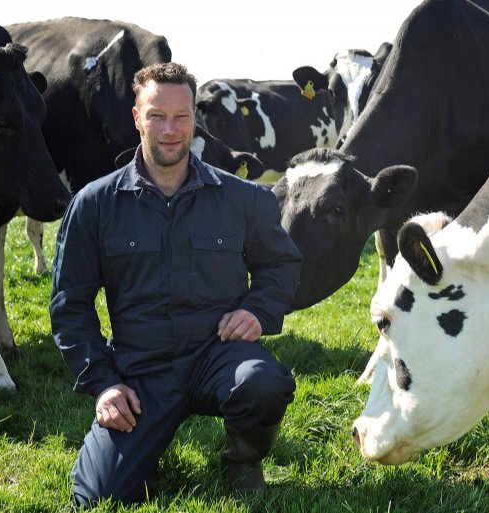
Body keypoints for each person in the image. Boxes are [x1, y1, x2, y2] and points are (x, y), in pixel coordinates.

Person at [49, 62, 302, 509]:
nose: (170, 130)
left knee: (262, 382)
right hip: (142, 369)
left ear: (194, 118)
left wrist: (258, 311)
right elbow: (70, 304)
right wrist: (104, 383)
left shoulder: (241, 197)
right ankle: (139, 453)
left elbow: (281, 263)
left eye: (181, 116)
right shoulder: (95, 205)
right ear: (135, 118)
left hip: (217, 354)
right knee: (96, 499)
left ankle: (243, 458)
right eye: (156, 115)